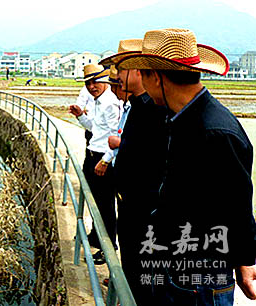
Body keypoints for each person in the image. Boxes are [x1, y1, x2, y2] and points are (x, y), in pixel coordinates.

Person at [117, 28, 256, 305]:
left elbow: (238, 204)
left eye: (144, 73)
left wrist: (245, 261)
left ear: (156, 77)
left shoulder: (215, 132)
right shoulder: (181, 120)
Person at [101, 38, 169, 304]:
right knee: (132, 267)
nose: (116, 76)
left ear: (137, 71)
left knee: (145, 276)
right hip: (130, 206)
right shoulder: (138, 107)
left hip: (145, 212)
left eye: (120, 67)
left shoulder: (155, 111)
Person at [69, 64, 121, 264]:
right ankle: (96, 235)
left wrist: (105, 160)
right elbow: (95, 128)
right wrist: (80, 115)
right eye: (88, 83)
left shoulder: (110, 103)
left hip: (101, 159)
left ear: (105, 80)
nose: (92, 86)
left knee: (105, 205)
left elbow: (116, 135)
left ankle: (108, 248)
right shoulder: (99, 101)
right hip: (93, 155)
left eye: (95, 81)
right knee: (96, 202)